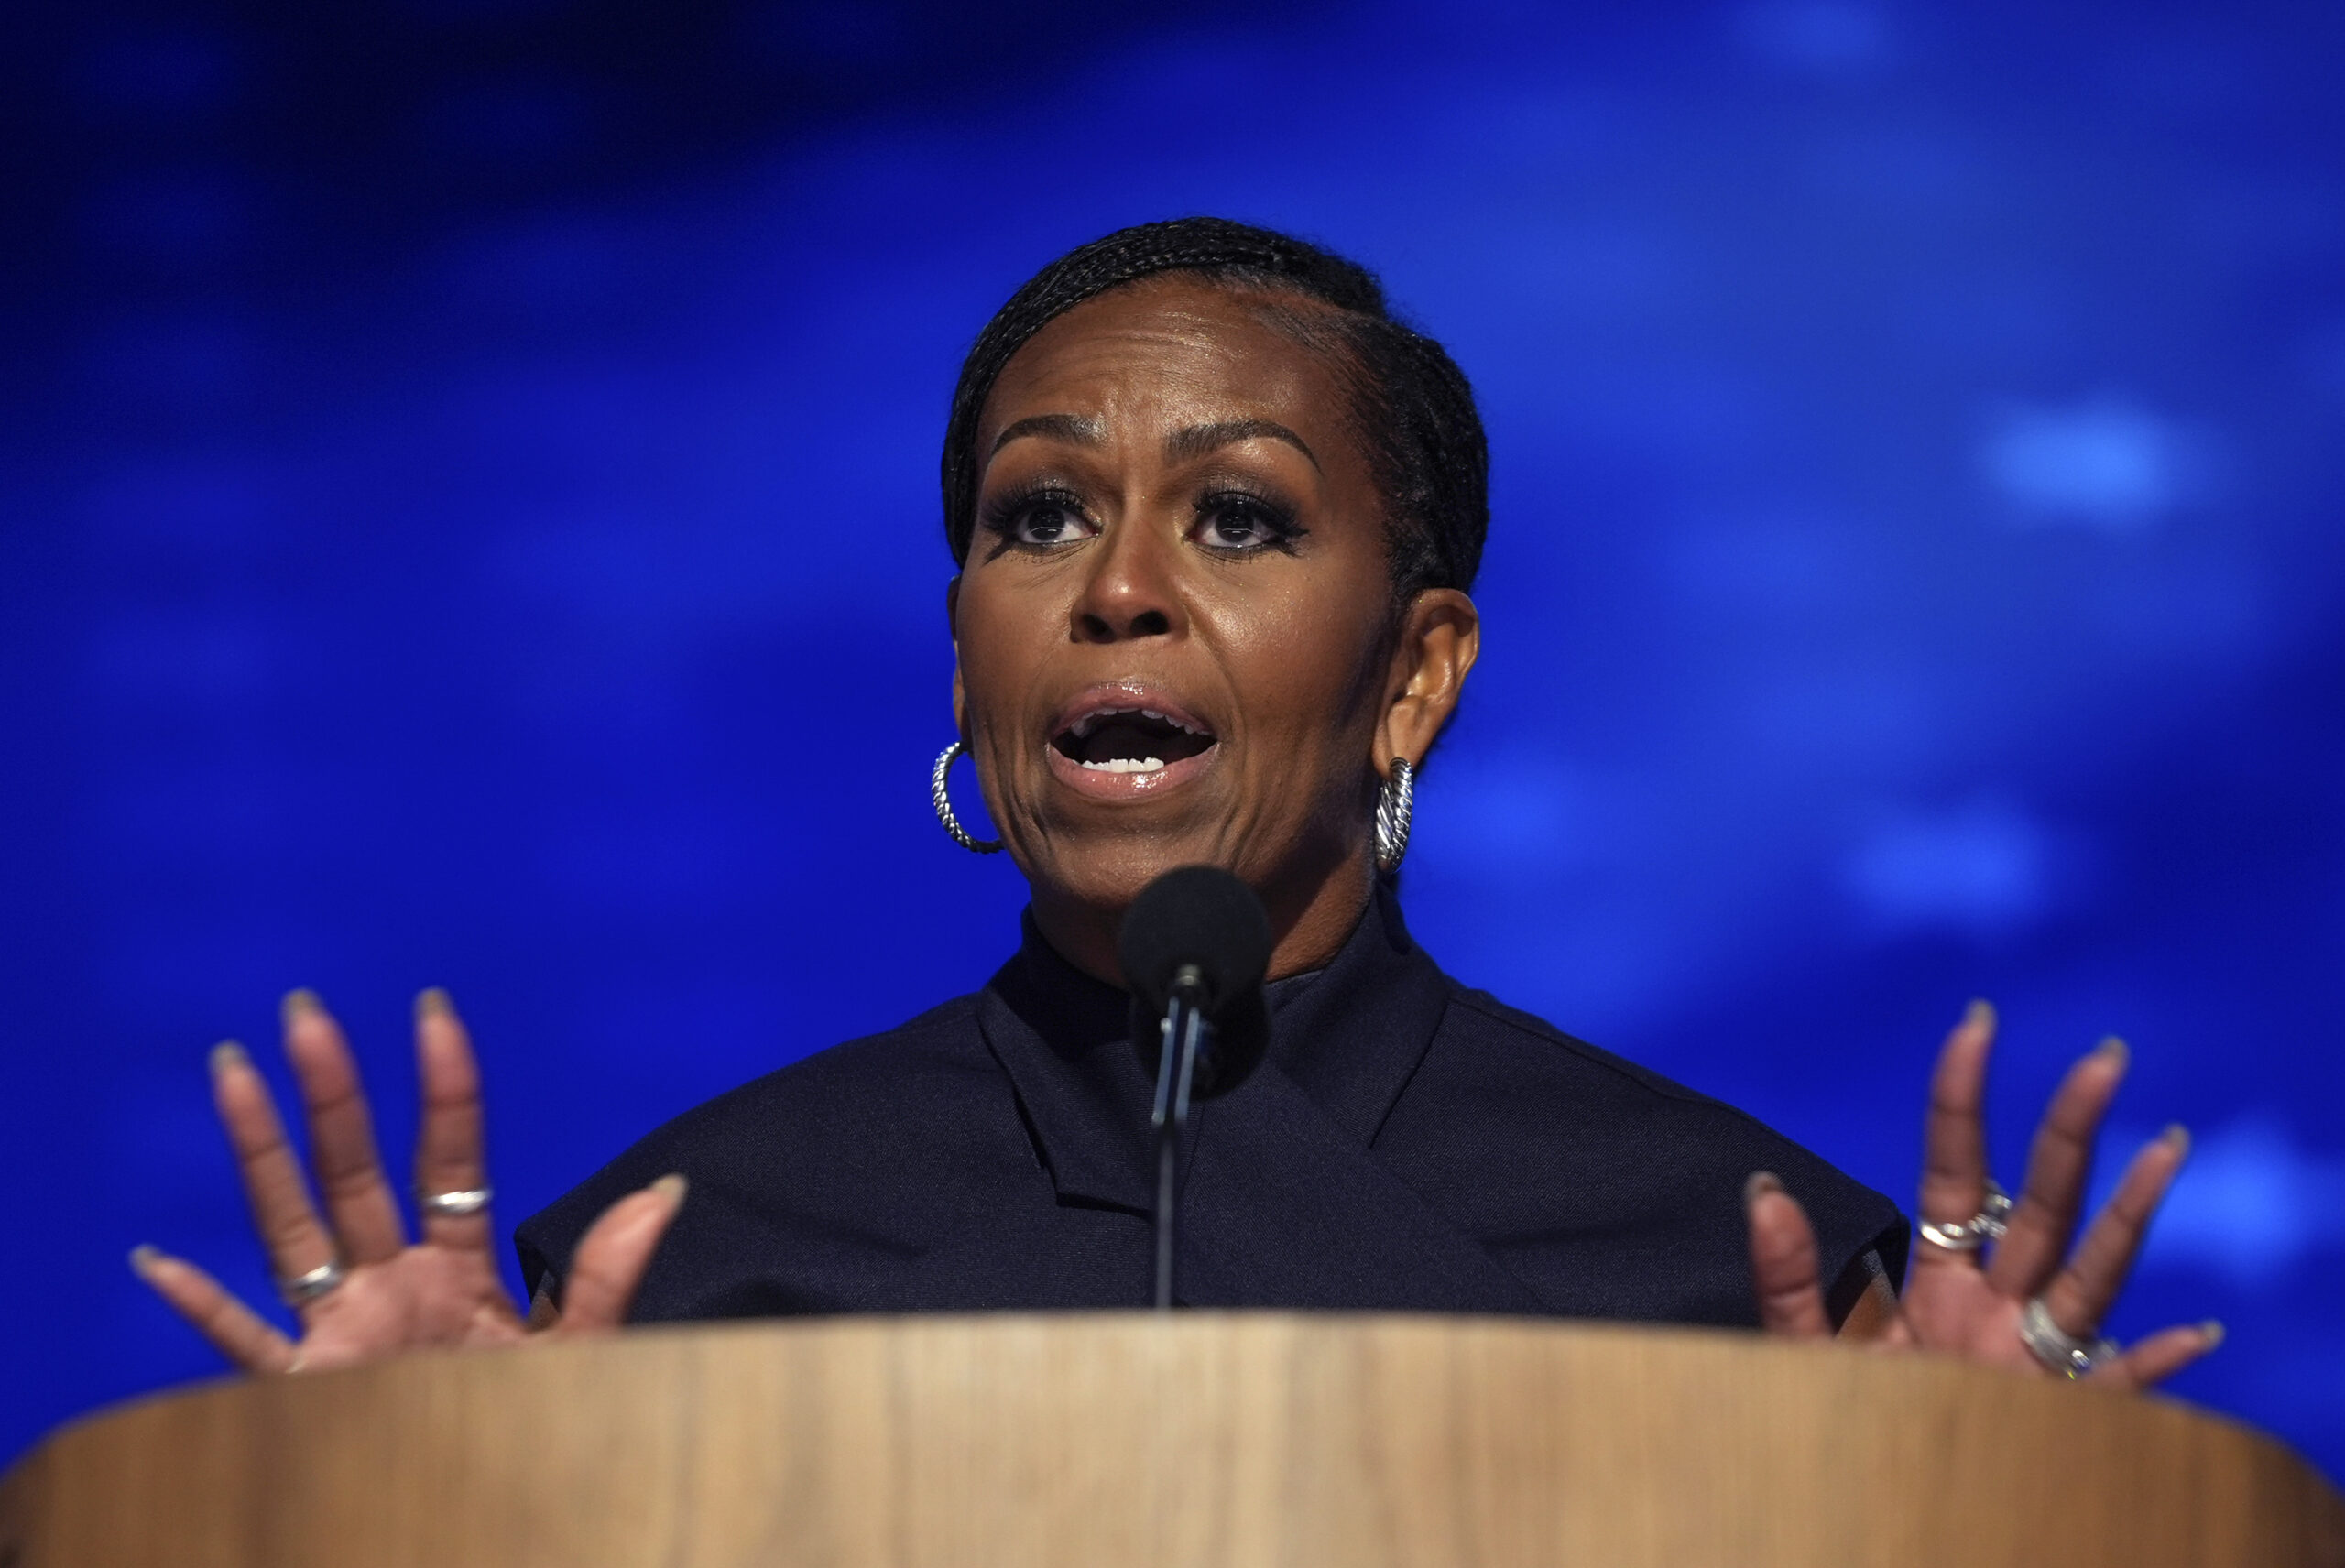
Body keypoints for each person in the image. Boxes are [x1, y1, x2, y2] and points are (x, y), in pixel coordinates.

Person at [130, 218, 2218, 1388]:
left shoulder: (1744, 1270)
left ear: (1414, 674)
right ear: (967, 661)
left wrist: (1966, 1516)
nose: (1118, 582)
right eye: (1039, 517)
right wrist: (388, 1513)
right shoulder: (670, 1271)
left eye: (1234, 516)